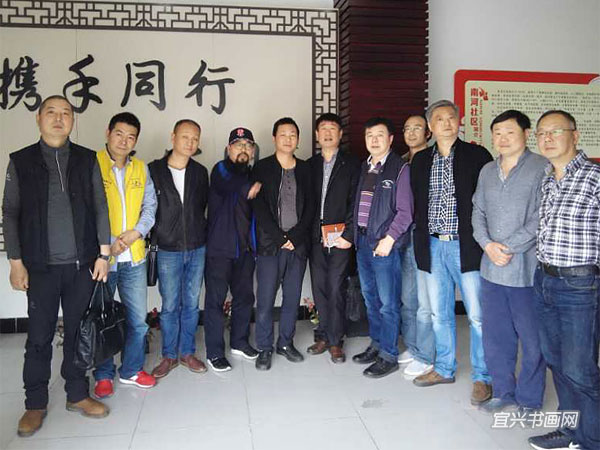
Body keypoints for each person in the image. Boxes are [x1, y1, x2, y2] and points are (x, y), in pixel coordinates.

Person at [2, 95, 111, 437]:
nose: (59, 118)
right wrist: (16, 262)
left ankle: (77, 394)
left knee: (78, 333)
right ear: (39, 118)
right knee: (39, 336)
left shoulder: (86, 159)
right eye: (51, 112)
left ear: (72, 121)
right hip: (40, 267)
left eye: (66, 113)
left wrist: (104, 255)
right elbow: (10, 213)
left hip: (81, 266)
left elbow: (100, 207)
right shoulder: (20, 161)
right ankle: (35, 403)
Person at [411, 100, 493, 406]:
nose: (445, 123)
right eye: (439, 119)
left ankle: (483, 376)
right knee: (440, 313)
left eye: (450, 118)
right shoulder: (421, 160)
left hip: (465, 245)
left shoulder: (477, 156)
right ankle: (444, 368)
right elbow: (418, 204)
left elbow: (487, 202)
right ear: (430, 127)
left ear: (459, 122)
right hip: (433, 244)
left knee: (478, 315)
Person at [527, 110, 600, 450]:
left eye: (555, 131)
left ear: (575, 135)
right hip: (545, 279)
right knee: (555, 360)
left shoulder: (594, 178)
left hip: (579, 286)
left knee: (580, 369)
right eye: (542, 133)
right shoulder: (547, 178)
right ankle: (570, 429)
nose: (547, 138)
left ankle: (592, 439)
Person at [471, 110, 547, 415]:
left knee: (532, 339)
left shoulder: (542, 167)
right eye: (498, 133)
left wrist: (509, 247)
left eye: (509, 132)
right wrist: (488, 245)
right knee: (496, 336)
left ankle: (529, 399)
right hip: (491, 268)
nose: (502, 139)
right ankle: (503, 391)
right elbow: (477, 212)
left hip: (526, 270)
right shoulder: (487, 170)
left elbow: (542, 216)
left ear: (526, 134)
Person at [93, 112, 158, 398]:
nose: (124, 141)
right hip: (102, 260)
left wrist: (135, 234)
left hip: (134, 258)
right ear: (108, 133)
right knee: (102, 319)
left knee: (137, 320)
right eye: (119, 134)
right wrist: (109, 245)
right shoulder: (92, 164)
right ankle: (103, 375)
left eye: (131, 137)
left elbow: (150, 207)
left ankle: (131, 370)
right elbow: (86, 211)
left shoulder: (141, 168)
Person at [351, 117, 413, 378]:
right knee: (370, 298)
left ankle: (389, 354)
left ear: (390, 139)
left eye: (379, 135)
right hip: (363, 243)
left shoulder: (399, 168)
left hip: (384, 246)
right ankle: (376, 344)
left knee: (388, 303)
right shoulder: (364, 167)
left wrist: (389, 240)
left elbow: (405, 212)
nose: (374, 140)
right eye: (369, 135)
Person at [252, 117, 315, 371]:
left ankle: (285, 343)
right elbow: (258, 206)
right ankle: (264, 347)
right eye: (283, 134)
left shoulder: (305, 169)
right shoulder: (262, 167)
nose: (288, 139)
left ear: (297, 140)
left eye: (293, 135)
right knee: (266, 298)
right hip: (270, 245)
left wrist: (295, 238)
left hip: (297, 246)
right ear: (274, 138)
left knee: (292, 297)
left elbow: (311, 206)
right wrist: (280, 238)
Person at [148, 119, 209, 378]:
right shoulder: (154, 170)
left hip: (197, 247)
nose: (190, 143)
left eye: (195, 139)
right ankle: (169, 356)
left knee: (192, 303)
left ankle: (187, 353)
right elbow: (148, 207)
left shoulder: (200, 172)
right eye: (185, 137)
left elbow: (202, 206)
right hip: (167, 249)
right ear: (173, 137)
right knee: (170, 304)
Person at [204, 127, 261, 372]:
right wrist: (252, 186)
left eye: (248, 145)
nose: (243, 149)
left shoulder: (252, 174)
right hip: (220, 249)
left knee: (245, 298)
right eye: (238, 145)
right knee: (215, 301)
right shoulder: (220, 169)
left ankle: (239, 342)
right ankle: (215, 352)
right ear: (229, 149)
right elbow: (233, 184)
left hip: (245, 250)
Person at [307, 113, 360, 363]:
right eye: (323, 129)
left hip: (340, 238)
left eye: (332, 129)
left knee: (336, 287)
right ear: (317, 135)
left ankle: (336, 340)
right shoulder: (310, 165)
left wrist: (349, 234)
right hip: (315, 237)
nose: (327, 133)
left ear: (340, 134)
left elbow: (356, 202)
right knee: (319, 287)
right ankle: (323, 335)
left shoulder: (352, 164)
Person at [398, 115, 436, 378]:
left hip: (423, 234)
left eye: (417, 128)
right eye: (407, 128)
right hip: (401, 234)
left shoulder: (435, 159)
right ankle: (413, 346)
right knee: (407, 296)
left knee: (425, 299)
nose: (411, 133)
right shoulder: (400, 162)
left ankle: (426, 353)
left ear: (428, 132)